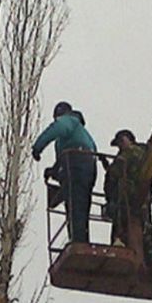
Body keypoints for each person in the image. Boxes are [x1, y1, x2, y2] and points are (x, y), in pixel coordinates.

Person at [32, 101, 97, 242]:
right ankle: (81, 238)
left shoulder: (69, 121)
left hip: (77, 163)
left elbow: (56, 129)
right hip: (87, 166)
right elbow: (62, 161)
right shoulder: (80, 133)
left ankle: (78, 240)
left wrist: (38, 147)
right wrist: (54, 171)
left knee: (75, 203)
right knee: (80, 203)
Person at [103, 129, 152, 262]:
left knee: (121, 224)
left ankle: (120, 246)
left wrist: (109, 169)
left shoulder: (131, 152)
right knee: (145, 225)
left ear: (126, 139)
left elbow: (115, 172)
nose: (120, 147)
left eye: (120, 142)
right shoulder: (144, 153)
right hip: (140, 197)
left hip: (128, 197)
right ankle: (151, 254)